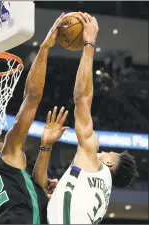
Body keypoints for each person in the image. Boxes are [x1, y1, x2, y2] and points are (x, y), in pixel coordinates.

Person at [33, 12, 139, 224]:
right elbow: (39, 182)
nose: (101, 150)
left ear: (109, 162)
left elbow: (82, 99)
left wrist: (89, 44)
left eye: (107, 152)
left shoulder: (93, 160)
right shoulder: (97, 190)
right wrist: (46, 147)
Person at [0, 13, 66, 224]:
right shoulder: (5, 156)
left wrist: (45, 146)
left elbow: (34, 186)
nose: (1, 140)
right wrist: (45, 48)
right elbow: (31, 98)